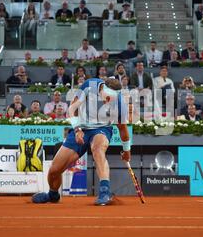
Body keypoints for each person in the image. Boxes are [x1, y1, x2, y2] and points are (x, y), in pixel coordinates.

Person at [32, 78, 131, 206]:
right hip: (81, 127)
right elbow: (72, 109)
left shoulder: (119, 103)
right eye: (107, 96)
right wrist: (77, 130)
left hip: (102, 129)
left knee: (98, 149)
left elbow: (122, 128)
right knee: (54, 170)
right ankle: (53, 195)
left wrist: (127, 150)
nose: (108, 100)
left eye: (112, 97)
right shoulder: (89, 85)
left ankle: (104, 192)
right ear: (102, 89)